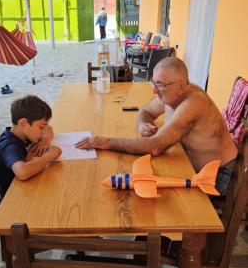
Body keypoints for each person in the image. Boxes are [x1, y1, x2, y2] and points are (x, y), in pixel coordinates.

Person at [76, 57, 238, 196]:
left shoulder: (193, 103)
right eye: (154, 82)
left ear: (181, 86)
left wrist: (105, 142)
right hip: (189, 165)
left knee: (173, 205)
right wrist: (142, 124)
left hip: (218, 174)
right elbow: (146, 110)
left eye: (159, 84)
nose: (154, 90)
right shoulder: (170, 91)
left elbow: (155, 147)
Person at [0, 95, 62, 198]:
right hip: (14, 198)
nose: (44, 132)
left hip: (26, 188)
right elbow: (22, 172)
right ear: (23, 123)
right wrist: (49, 156)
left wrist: (45, 140)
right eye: (41, 127)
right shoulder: (9, 146)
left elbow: (50, 129)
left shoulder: (24, 132)